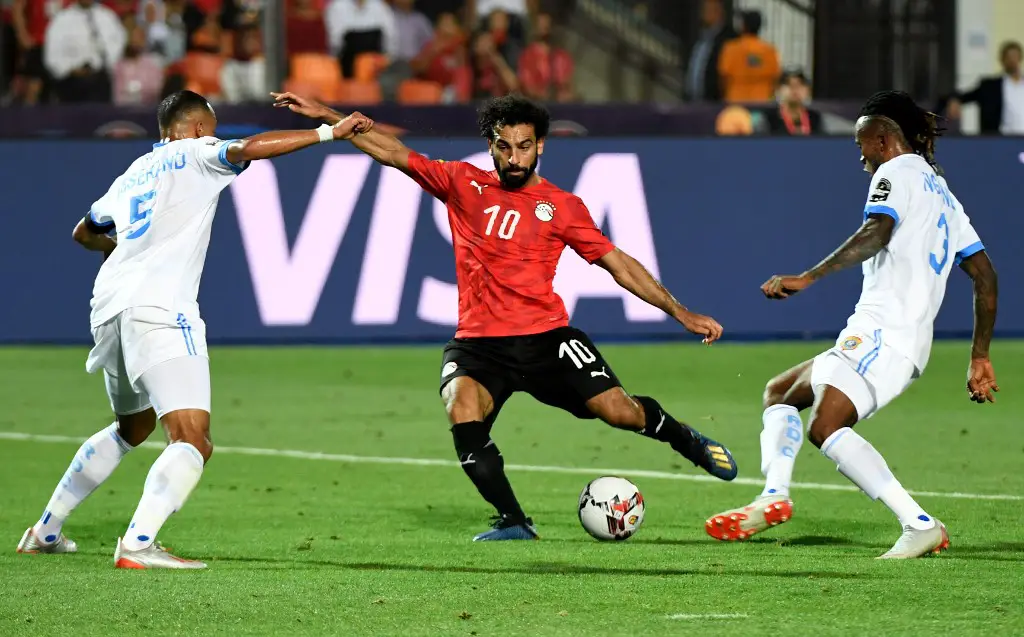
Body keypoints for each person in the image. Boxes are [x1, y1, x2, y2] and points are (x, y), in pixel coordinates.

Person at [271, 90, 738, 541]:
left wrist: (679, 311)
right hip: (479, 344)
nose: (514, 158)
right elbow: (391, 151)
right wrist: (330, 118)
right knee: (461, 407)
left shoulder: (562, 207)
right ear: (490, 145)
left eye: (524, 147)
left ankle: (684, 439)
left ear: (540, 147)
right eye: (504, 146)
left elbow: (619, 264)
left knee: (619, 412)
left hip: (548, 339)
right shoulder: (461, 182)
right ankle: (514, 520)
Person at [16, 90, 369, 568]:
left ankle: (45, 530)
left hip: (109, 305)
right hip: (161, 307)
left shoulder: (133, 172)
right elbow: (244, 149)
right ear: (198, 127)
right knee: (193, 438)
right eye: (213, 127)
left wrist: (125, 250)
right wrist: (328, 131)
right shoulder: (197, 151)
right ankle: (139, 543)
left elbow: (84, 231)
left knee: (132, 427)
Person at [704, 90, 999, 559]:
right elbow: (985, 278)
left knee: (825, 426)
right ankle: (773, 496)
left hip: (884, 334)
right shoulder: (943, 193)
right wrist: (980, 354)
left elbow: (875, 232)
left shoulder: (893, 174)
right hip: (897, 338)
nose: (859, 154)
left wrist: (810, 276)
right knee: (780, 392)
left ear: (882, 140)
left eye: (862, 142)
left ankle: (919, 523)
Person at [763, 70, 823, 136]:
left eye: (800, 83)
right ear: (778, 89)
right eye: (788, 83)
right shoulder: (767, 120)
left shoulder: (818, 119)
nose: (794, 88)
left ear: (808, 90)